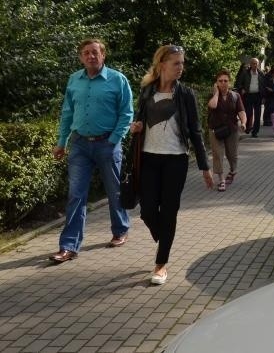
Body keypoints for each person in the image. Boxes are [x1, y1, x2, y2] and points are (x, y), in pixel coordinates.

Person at [130, 45, 214, 285]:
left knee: (168, 211)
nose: (181, 68)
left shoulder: (186, 94)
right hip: (148, 158)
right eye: (176, 63)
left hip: (175, 160)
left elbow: (196, 132)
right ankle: (164, 235)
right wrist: (135, 127)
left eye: (182, 63)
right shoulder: (147, 91)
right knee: (147, 211)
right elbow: (139, 120)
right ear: (162, 65)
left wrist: (204, 166)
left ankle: (160, 264)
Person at [50, 39, 134, 264]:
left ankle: (120, 229)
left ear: (103, 55)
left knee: (114, 190)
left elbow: (127, 113)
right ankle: (68, 246)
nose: (90, 56)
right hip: (79, 145)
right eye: (86, 53)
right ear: (81, 57)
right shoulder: (73, 80)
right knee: (76, 195)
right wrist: (61, 142)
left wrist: (114, 140)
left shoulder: (117, 80)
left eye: (95, 52)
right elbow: (67, 113)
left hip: (107, 143)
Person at [208, 69, 246, 192]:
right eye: (220, 81)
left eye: (225, 81)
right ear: (216, 83)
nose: (223, 83)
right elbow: (213, 106)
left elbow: (241, 111)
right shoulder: (213, 95)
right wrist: (217, 93)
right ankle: (221, 180)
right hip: (216, 129)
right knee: (218, 155)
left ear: (229, 82)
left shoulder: (235, 96)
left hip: (231, 129)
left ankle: (233, 171)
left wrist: (244, 122)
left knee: (232, 155)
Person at [234, 57, 266, 137]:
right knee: (248, 112)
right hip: (248, 95)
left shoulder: (261, 74)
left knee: (258, 114)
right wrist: (242, 89)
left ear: (258, 64)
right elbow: (238, 83)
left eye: (256, 64)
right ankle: (248, 127)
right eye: (253, 63)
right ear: (251, 64)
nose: (255, 65)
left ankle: (255, 132)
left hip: (258, 95)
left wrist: (264, 96)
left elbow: (264, 85)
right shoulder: (245, 73)